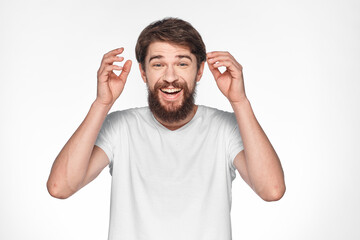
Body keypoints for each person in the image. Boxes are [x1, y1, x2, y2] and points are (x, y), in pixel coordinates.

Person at [47, 17, 285, 240]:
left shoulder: (224, 128)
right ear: (143, 72)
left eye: (182, 63)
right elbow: (60, 187)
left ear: (199, 71)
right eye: (158, 64)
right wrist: (102, 104)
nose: (170, 77)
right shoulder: (121, 127)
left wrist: (239, 101)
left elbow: (272, 190)